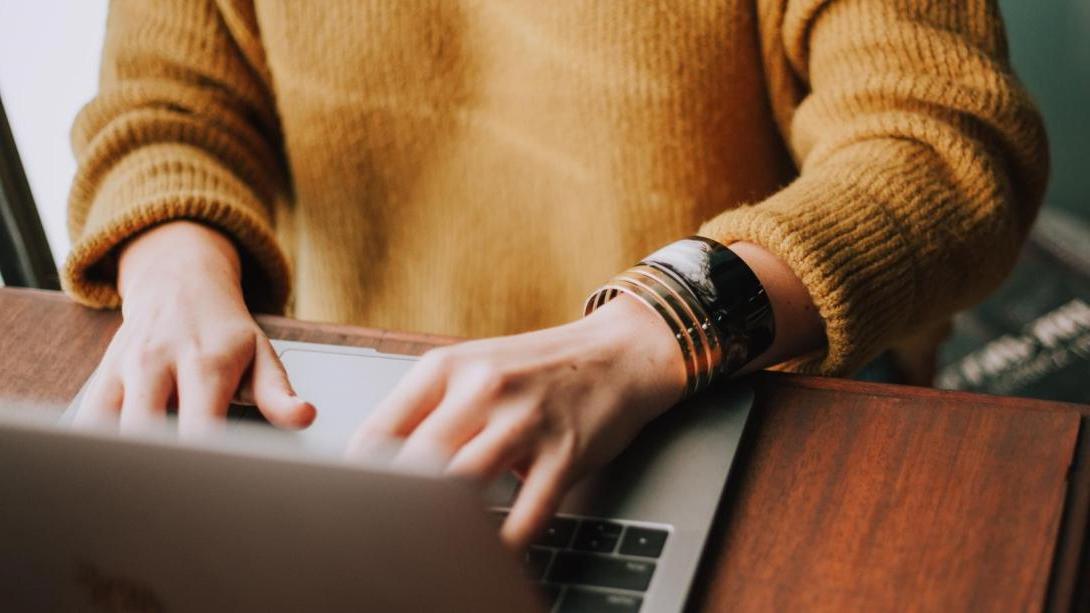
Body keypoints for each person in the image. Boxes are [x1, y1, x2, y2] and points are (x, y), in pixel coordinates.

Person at [65, 0, 1048, 549]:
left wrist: (652, 328)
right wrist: (173, 270)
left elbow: (941, 146)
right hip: (369, 424)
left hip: (745, 396)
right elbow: (164, 102)